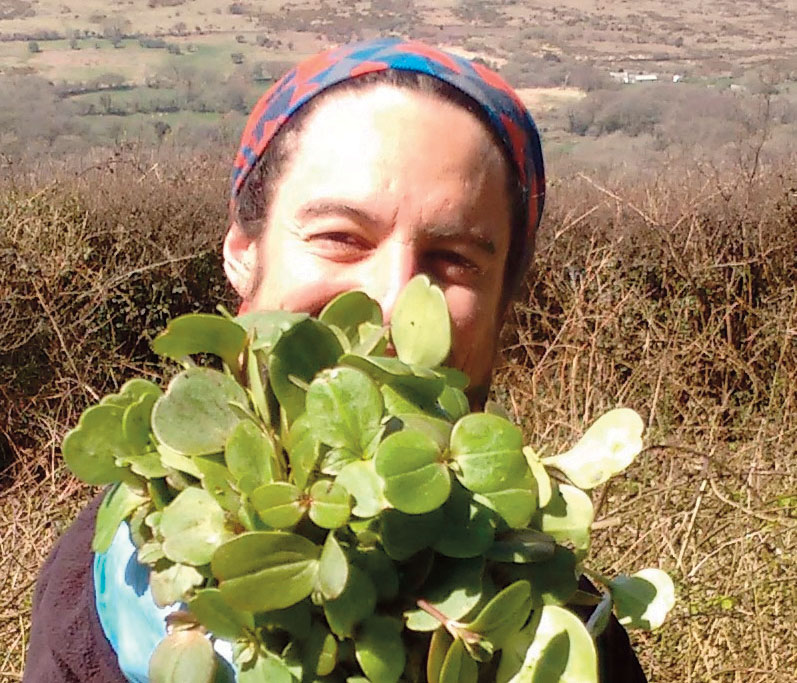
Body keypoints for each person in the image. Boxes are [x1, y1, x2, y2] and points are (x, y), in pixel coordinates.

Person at [23, 37, 646, 682]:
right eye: (340, 237)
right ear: (243, 249)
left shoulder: (563, 637)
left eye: (455, 260)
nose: (392, 300)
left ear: (502, 302)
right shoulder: (97, 593)